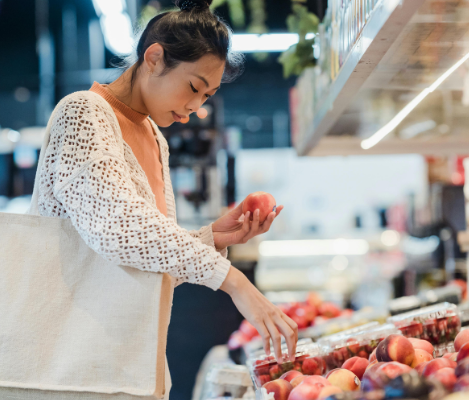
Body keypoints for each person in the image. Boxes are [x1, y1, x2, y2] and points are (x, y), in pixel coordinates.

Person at [34, 0, 298, 396]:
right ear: (154, 57)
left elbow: (144, 265)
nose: (194, 108)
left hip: (129, 360)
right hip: (68, 364)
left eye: (206, 96)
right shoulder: (84, 113)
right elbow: (117, 228)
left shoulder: (155, 138)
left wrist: (212, 237)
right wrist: (235, 282)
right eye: (194, 87)